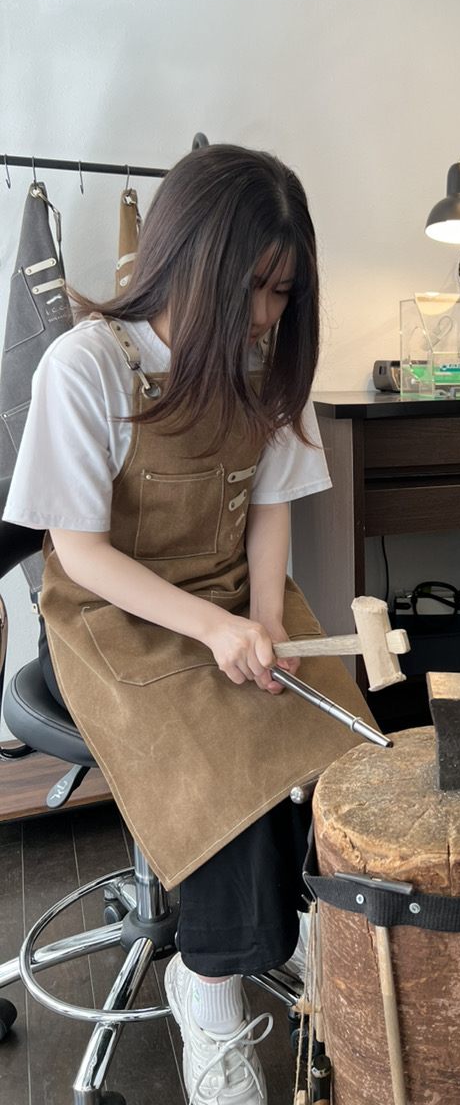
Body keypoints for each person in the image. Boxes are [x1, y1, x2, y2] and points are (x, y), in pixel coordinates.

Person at [4, 144, 381, 1105]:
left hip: (232, 599)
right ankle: (209, 996)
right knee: (225, 768)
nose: (267, 315)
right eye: (253, 288)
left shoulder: (264, 370)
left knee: (337, 745)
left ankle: (299, 933)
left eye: (284, 293)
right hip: (112, 617)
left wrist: (264, 621)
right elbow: (80, 552)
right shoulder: (90, 366)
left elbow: (268, 515)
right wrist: (213, 633)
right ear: (191, 260)